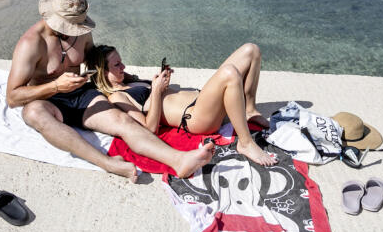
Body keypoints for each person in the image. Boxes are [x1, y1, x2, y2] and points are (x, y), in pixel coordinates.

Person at [7, 0, 214, 181]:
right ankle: (106, 163)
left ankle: (179, 160)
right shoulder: (31, 44)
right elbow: (13, 97)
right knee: (33, 114)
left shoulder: (80, 30)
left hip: (79, 94)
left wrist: (127, 77)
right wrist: (55, 87)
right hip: (45, 100)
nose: (74, 31)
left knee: (123, 121)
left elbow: (95, 61)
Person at [87, 44, 277, 166]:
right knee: (229, 72)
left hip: (201, 100)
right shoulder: (117, 97)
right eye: (117, 65)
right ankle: (245, 143)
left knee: (251, 51)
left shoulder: (130, 82)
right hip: (195, 117)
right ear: (103, 73)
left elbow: (160, 98)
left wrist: (162, 83)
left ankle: (249, 110)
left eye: (121, 62)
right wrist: (155, 90)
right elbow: (149, 128)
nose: (124, 67)